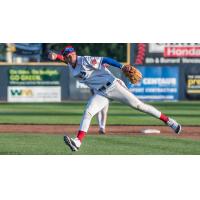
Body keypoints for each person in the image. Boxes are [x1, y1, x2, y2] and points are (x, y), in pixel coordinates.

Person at [48, 45, 182, 152]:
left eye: (71, 55)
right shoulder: (70, 64)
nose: (69, 57)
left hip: (113, 86)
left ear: (75, 53)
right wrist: (56, 56)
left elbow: (105, 60)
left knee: (140, 106)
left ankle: (170, 121)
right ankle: (77, 141)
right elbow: (64, 60)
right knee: (88, 112)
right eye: (67, 56)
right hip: (101, 93)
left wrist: (122, 66)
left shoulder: (85, 60)